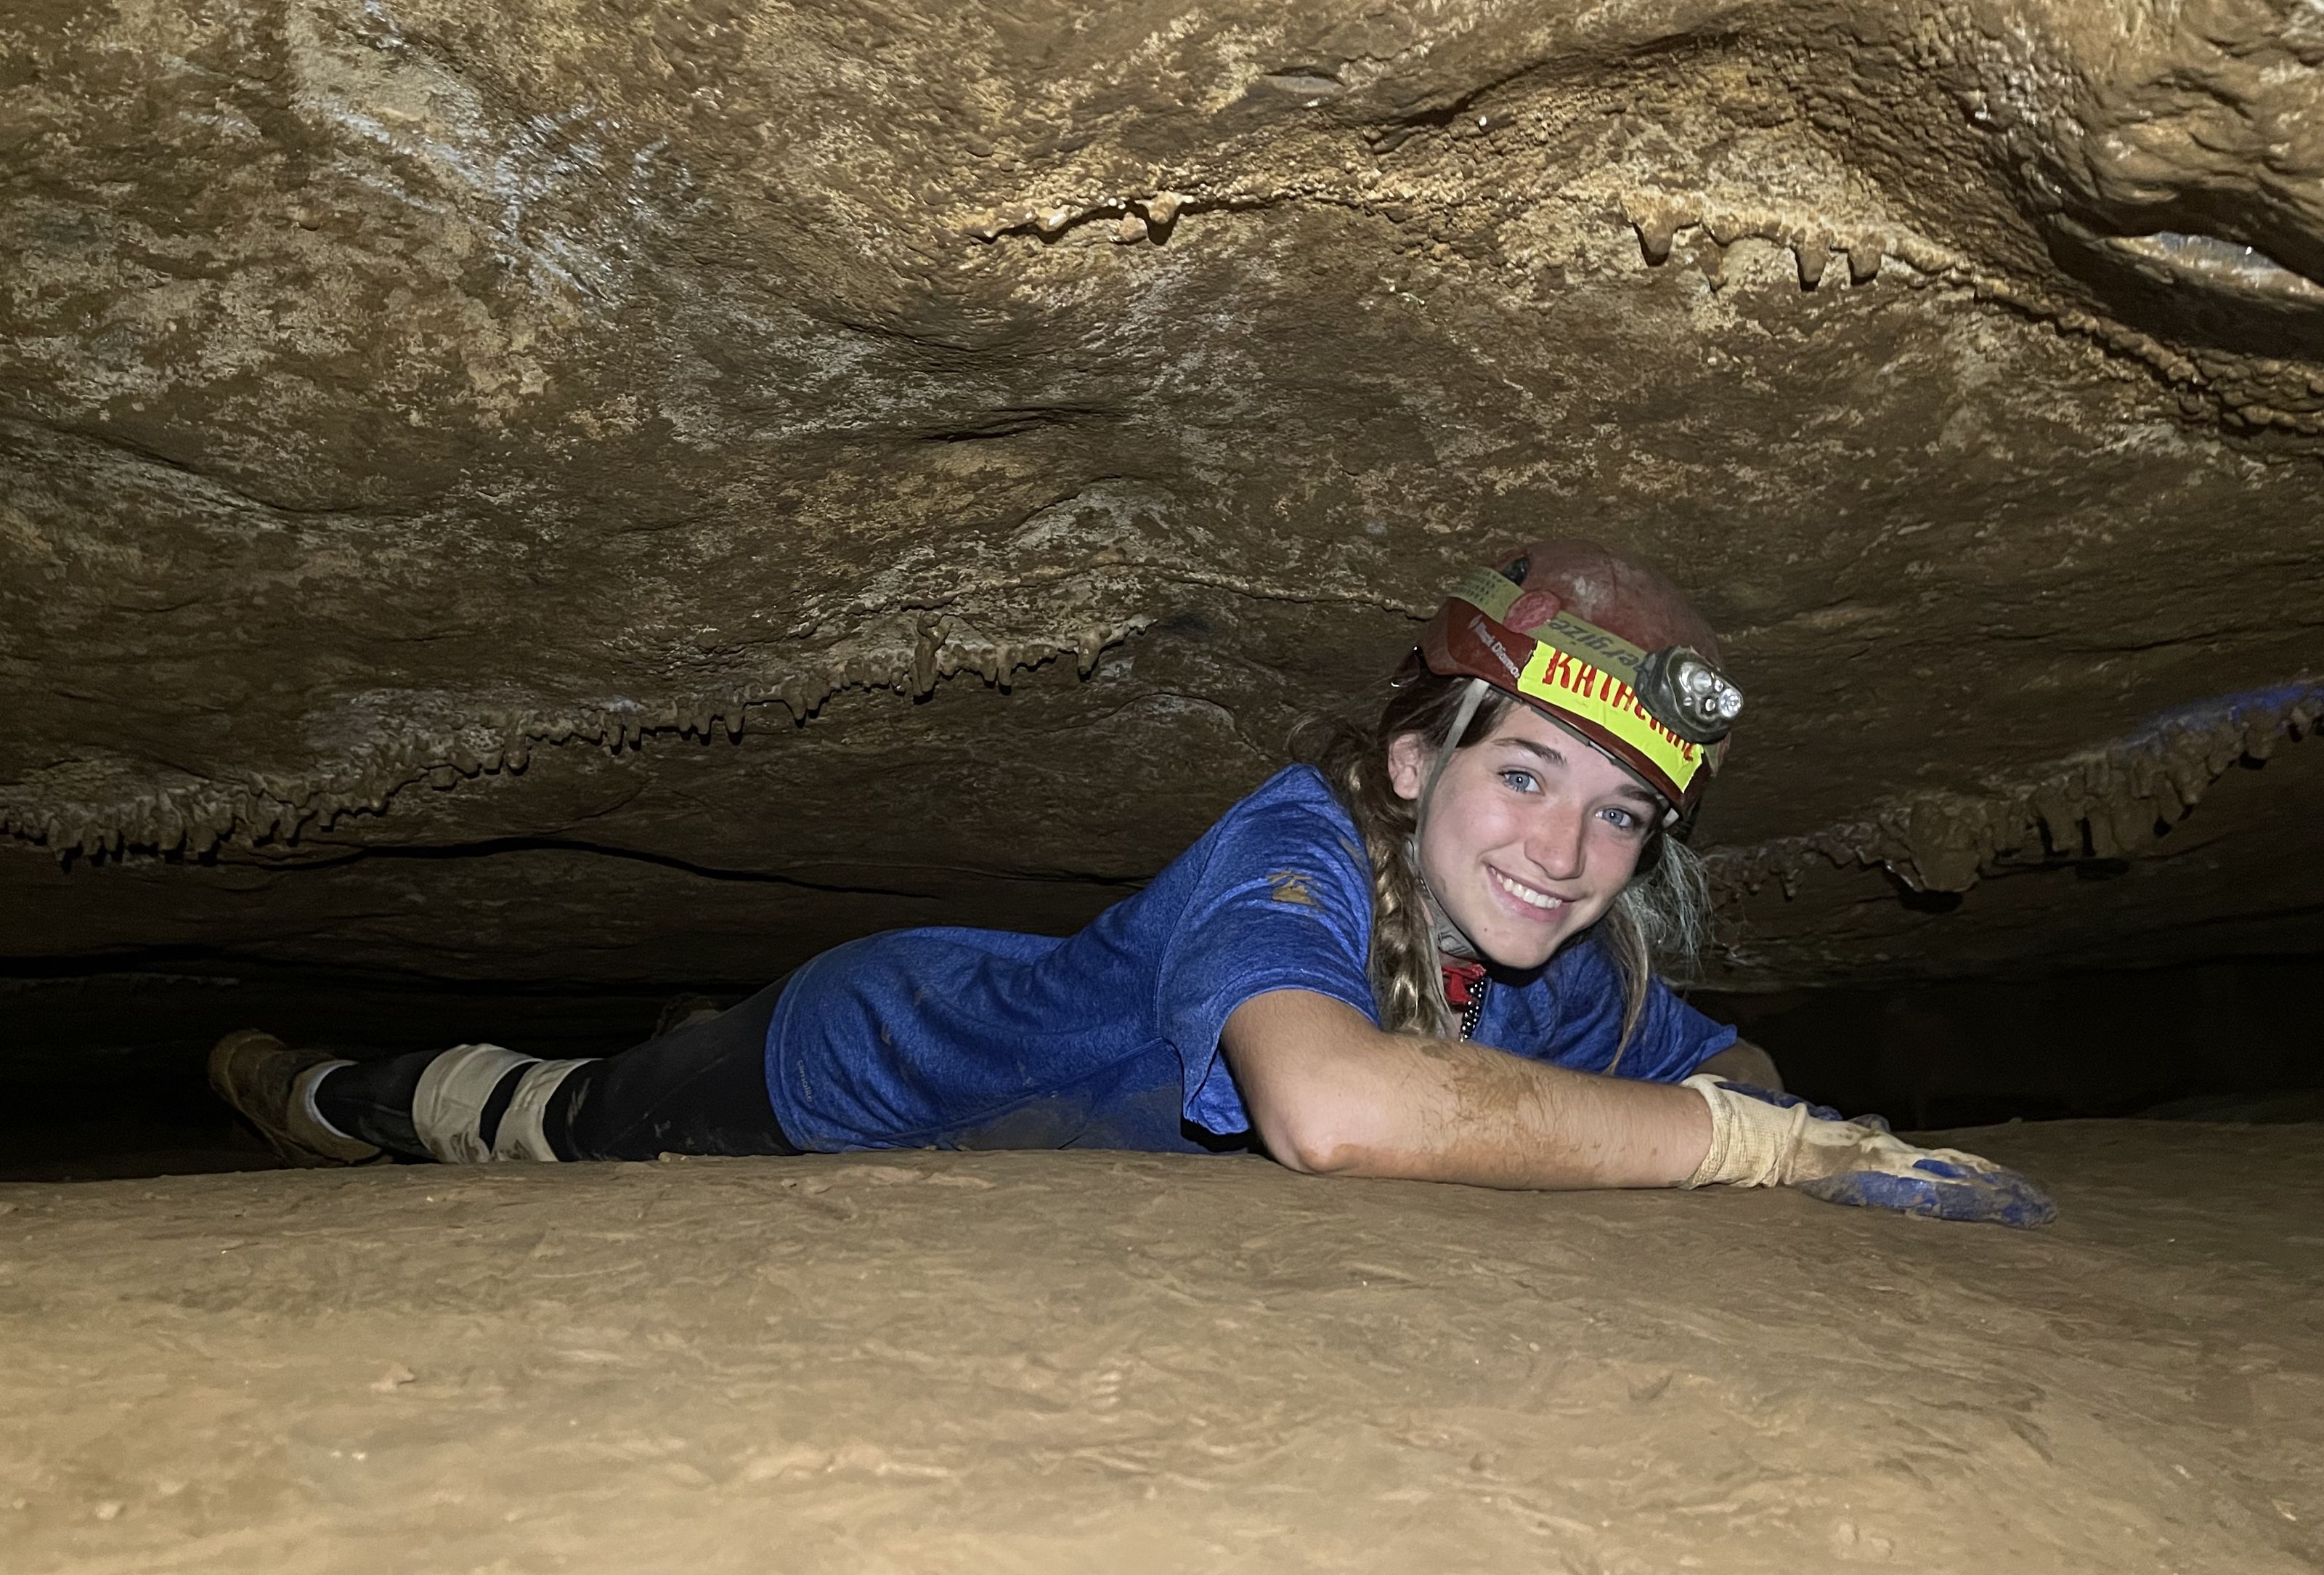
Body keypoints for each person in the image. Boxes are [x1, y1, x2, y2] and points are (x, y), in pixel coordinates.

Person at [209, 540, 2055, 1226]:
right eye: (1522, 775)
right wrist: (1742, 1156)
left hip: (984, 1101)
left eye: (1621, 817)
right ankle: (323, 1090)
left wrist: (1796, 1124)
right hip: (868, 1060)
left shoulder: (1558, 957)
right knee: (565, 1127)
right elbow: (1332, 1110)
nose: (1563, 856)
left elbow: (1722, 1067)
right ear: (1414, 764)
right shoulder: (1292, 846)